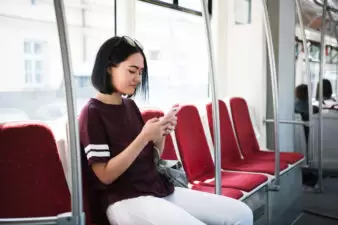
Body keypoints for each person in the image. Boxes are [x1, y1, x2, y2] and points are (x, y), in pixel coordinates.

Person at [78, 36, 253, 225]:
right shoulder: (92, 114)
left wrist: (159, 136)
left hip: (156, 188)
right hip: (124, 199)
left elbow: (151, 160)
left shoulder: (130, 106)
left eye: (140, 72)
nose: (137, 78)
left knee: (241, 214)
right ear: (108, 68)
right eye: (131, 71)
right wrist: (144, 137)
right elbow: (105, 175)